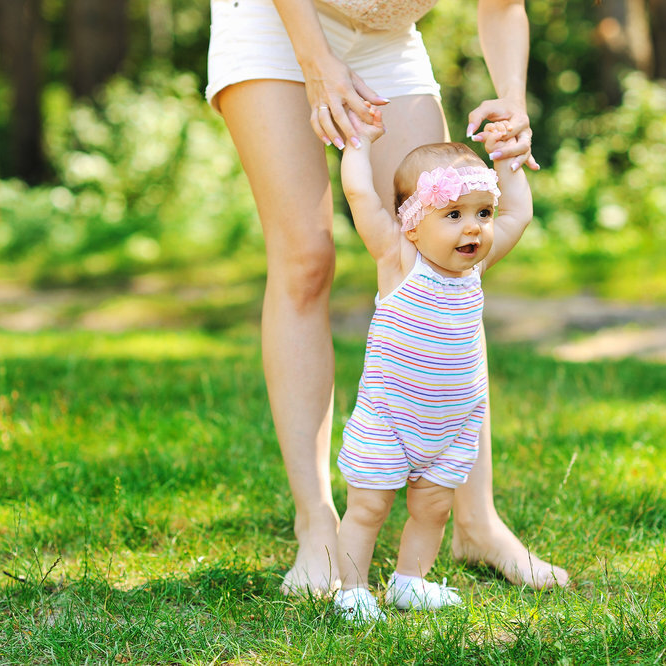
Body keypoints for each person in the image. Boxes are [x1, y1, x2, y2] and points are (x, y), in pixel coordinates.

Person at [206, 0, 569, 595]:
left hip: (388, 38)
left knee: (447, 261)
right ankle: (316, 524)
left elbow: (502, 7)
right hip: (274, 24)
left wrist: (512, 101)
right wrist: (316, 60)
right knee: (305, 258)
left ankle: (476, 520)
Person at [332, 108, 534, 622]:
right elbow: (360, 196)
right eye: (454, 215)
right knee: (369, 508)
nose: (474, 228)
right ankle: (351, 591)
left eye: (481, 213)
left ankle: (409, 582)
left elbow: (519, 216)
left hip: (451, 423)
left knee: (434, 509)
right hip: (390, 417)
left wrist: (507, 161)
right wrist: (358, 145)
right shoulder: (398, 258)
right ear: (413, 223)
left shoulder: (475, 267)